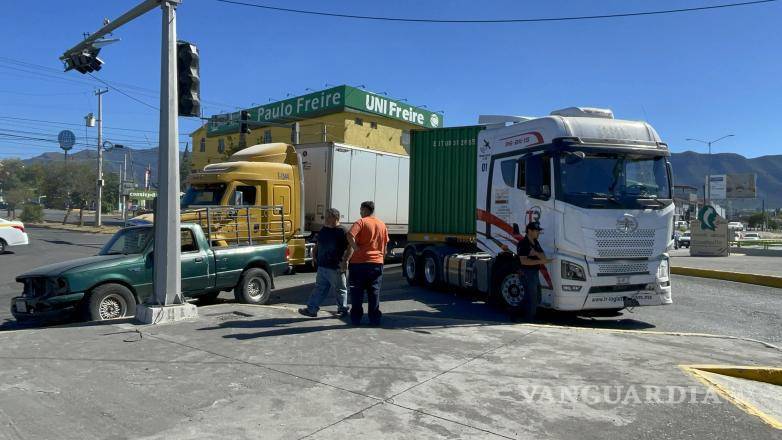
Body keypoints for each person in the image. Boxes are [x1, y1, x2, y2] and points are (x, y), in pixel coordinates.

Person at [298, 208, 350, 318]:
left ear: (336, 218)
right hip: (323, 266)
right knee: (319, 288)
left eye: (328, 217)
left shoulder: (342, 231)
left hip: (336, 267)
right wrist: (313, 256)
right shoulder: (324, 229)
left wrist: (345, 261)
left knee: (340, 289)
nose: (325, 219)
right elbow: (318, 243)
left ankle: (342, 309)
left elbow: (351, 247)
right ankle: (312, 309)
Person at [344, 201, 389, 326]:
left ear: (364, 209)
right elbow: (385, 246)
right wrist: (381, 259)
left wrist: (356, 248)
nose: (360, 211)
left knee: (357, 293)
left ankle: (356, 319)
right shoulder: (382, 225)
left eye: (360, 209)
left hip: (359, 263)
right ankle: (374, 319)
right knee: (374, 292)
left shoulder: (361, 222)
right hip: (376, 263)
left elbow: (349, 235)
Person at [516, 221, 551, 321]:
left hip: (534, 272)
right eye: (536, 231)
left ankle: (518, 314)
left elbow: (543, 256)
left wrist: (535, 253)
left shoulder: (535, 242)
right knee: (532, 297)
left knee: (536, 296)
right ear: (529, 231)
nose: (538, 233)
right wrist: (539, 259)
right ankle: (529, 319)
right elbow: (524, 261)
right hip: (526, 272)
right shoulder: (523, 243)